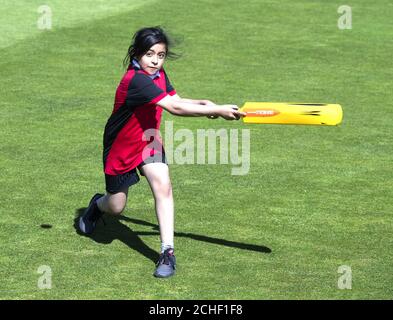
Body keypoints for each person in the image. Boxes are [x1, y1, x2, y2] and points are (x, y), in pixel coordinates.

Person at [79, 26, 245, 278]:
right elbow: (174, 108)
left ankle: (167, 252)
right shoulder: (135, 80)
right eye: (149, 54)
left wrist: (207, 105)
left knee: (163, 186)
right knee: (116, 206)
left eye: (161, 55)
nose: (156, 61)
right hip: (121, 147)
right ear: (136, 53)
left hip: (149, 139)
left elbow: (176, 98)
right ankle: (97, 206)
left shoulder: (157, 73)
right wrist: (219, 110)